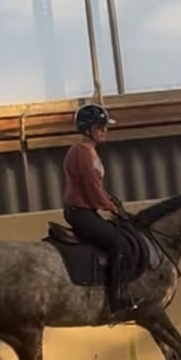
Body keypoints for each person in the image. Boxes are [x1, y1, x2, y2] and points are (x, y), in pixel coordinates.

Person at [62, 102, 135, 315]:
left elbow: (97, 187)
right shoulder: (82, 152)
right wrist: (110, 206)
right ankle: (116, 299)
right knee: (117, 243)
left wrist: (112, 201)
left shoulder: (89, 151)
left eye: (105, 127)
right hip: (81, 212)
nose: (105, 131)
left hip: (86, 210)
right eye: (100, 127)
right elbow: (91, 187)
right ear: (88, 129)